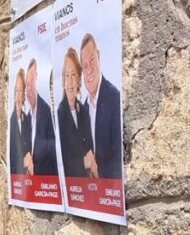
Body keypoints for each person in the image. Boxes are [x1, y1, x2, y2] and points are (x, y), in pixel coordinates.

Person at [80, 33, 123, 180]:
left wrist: (97, 171)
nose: (89, 69)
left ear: (98, 56)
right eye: (85, 66)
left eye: (92, 60)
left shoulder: (114, 98)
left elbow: (119, 158)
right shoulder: (83, 109)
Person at [56, 48, 95, 178]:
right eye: (66, 75)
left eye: (73, 74)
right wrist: (83, 162)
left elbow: (90, 149)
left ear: (79, 79)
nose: (70, 81)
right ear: (62, 81)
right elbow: (61, 161)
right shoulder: (59, 115)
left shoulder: (84, 111)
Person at [25, 59, 58, 177]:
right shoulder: (26, 119)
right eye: (27, 84)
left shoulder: (48, 114)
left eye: (32, 81)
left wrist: (35, 171)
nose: (29, 88)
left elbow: (56, 159)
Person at [8, 68, 32, 176]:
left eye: (20, 91)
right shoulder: (9, 123)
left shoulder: (27, 120)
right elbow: (9, 158)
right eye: (16, 91)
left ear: (23, 95)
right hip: (16, 180)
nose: (18, 95)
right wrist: (23, 163)